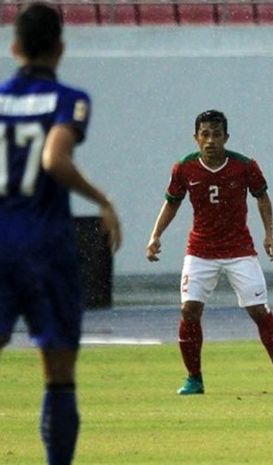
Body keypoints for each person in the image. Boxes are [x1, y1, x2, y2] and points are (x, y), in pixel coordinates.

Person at [0, 4, 122, 464]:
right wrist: (102, 200)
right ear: (61, 48)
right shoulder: (68, 100)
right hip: (44, 245)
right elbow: (54, 159)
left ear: (14, 48)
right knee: (58, 371)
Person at [146, 109, 273, 395]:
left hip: (239, 250)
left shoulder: (245, 166)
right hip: (200, 251)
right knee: (189, 311)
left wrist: (269, 234)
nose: (210, 141)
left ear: (226, 137)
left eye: (217, 135)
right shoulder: (184, 168)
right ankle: (194, 378)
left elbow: (262, 197)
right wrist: (156, 235)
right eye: (205, 134)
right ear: (196, 138)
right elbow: (172, 202)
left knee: (259, 310)